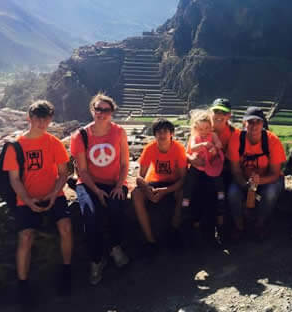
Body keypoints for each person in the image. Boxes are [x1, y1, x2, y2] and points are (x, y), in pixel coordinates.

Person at [3, 100, 71, 308]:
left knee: (66, 227)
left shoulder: (54, 143)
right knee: (25, 236)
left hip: (54, 194)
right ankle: (23, 285)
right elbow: (14, 179)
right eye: (38, 118)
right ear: (29, 118)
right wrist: (27, 200)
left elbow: (64, 173)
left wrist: (53, 194)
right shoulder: (15, 147)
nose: (42, 123)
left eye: (46, 118)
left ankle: (67, 271)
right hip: (26, 198)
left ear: (50, 119)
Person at [71, 93, 130, 285]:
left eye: (106, 110)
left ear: (112, 113)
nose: (101, 113)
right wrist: (96, 191)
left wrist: (119, 186)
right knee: (90, 214)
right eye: (98, 109)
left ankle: (115, 247)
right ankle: (96, 260)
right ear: (92, 110)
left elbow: (123, 164)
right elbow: (83, 170)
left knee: (117, 206)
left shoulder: (119, 132)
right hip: (89, 184)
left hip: (114, 181)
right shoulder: (80, 136)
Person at [227, 107, 286, 239]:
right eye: (250, 122)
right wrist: (246, 185)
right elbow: (235, 170)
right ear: (244, 123)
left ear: (263, 123)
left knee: (270, 193)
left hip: (268, 179)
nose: (254, 126)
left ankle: (259, 225)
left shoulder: (272, 141)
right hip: (244, 179)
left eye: (257, 122)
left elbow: (275, 173)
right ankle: (239, 227)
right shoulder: (237, 138)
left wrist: (259, 181)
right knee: (233, 194)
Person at [131, 118, 187, 253]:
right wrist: (146, 189)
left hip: (173, 183)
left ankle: (174, 229)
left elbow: (184, 179)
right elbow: (140, 177)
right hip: (154, 182)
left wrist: (165, 191)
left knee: (183, 193)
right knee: (135, 194)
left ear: (171, 133)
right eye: (158, 132)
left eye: (165, 132)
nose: (162, 135)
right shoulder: (149, 148)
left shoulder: (178, 149)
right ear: (154, 134)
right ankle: (150, 240)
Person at [183, 109, 226, 235]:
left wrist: (214, 147)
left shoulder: (212, 135)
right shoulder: (195, 137)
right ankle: (186, 200)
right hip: (198, 166)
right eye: (201, 129)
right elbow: (192, 148)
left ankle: (221, 196)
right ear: (196, 128)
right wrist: (204, 144)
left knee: (216, 182)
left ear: (210, 127)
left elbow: (219, 145)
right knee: (191, 182)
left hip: (210, 164)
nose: (204, 131)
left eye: (207, 128)